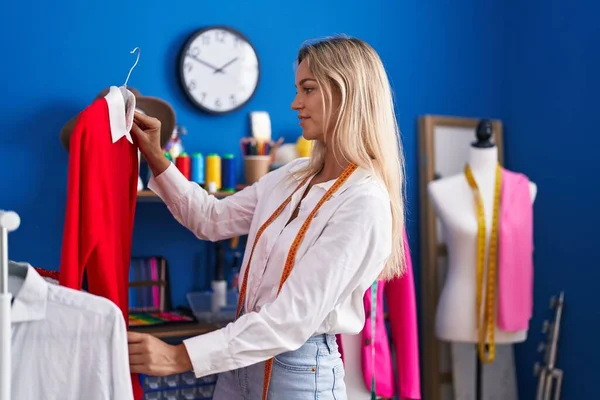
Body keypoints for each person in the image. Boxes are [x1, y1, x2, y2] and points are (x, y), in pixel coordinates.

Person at [127, 35, 407, 399]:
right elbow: (210, 218)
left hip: (300, 371)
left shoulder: (364, 201)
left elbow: (291, 318)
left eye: (307, 89)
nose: (295, 103)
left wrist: (178, 356)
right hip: (241, 356)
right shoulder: (292, 176)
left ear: (345, 93)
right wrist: (156, 157)